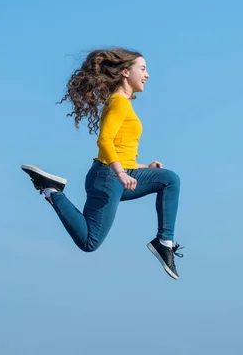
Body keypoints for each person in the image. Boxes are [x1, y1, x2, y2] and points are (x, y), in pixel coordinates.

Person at [21, 48, 184, 280]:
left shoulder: (124, 103)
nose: (147, 75)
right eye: (143, 69)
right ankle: (53, 191)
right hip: (109, 177)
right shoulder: (119, 102)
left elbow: (119, 150)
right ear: (126, 72)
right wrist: (120, 173)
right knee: (89, 242)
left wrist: (144, 167)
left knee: (168, 180)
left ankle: (164, 242)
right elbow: (104, 140)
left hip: (113, 176)